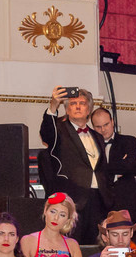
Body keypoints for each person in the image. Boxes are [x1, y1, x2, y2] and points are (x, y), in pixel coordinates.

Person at [40, 87, 109, 244]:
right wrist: (53, 106)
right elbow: (46, 133)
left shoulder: (97, 136)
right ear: (67, 109)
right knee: (70, 244)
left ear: (88, 110)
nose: (78, 106)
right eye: (73, 103)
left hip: (97, 199)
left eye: (82, 103)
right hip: (72, 198)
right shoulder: (59, 129)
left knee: (95, 246)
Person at [91, 107, 136, 227]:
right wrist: (117, 169)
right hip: (100, 205)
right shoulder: (90, 146)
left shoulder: (129, 141)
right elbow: (90, 171)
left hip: (126, 203)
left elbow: (129, 166)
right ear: (93, 127)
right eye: (98, 127)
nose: (103, 130)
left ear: (112, 122)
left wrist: (102, 170)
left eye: (106, 124)